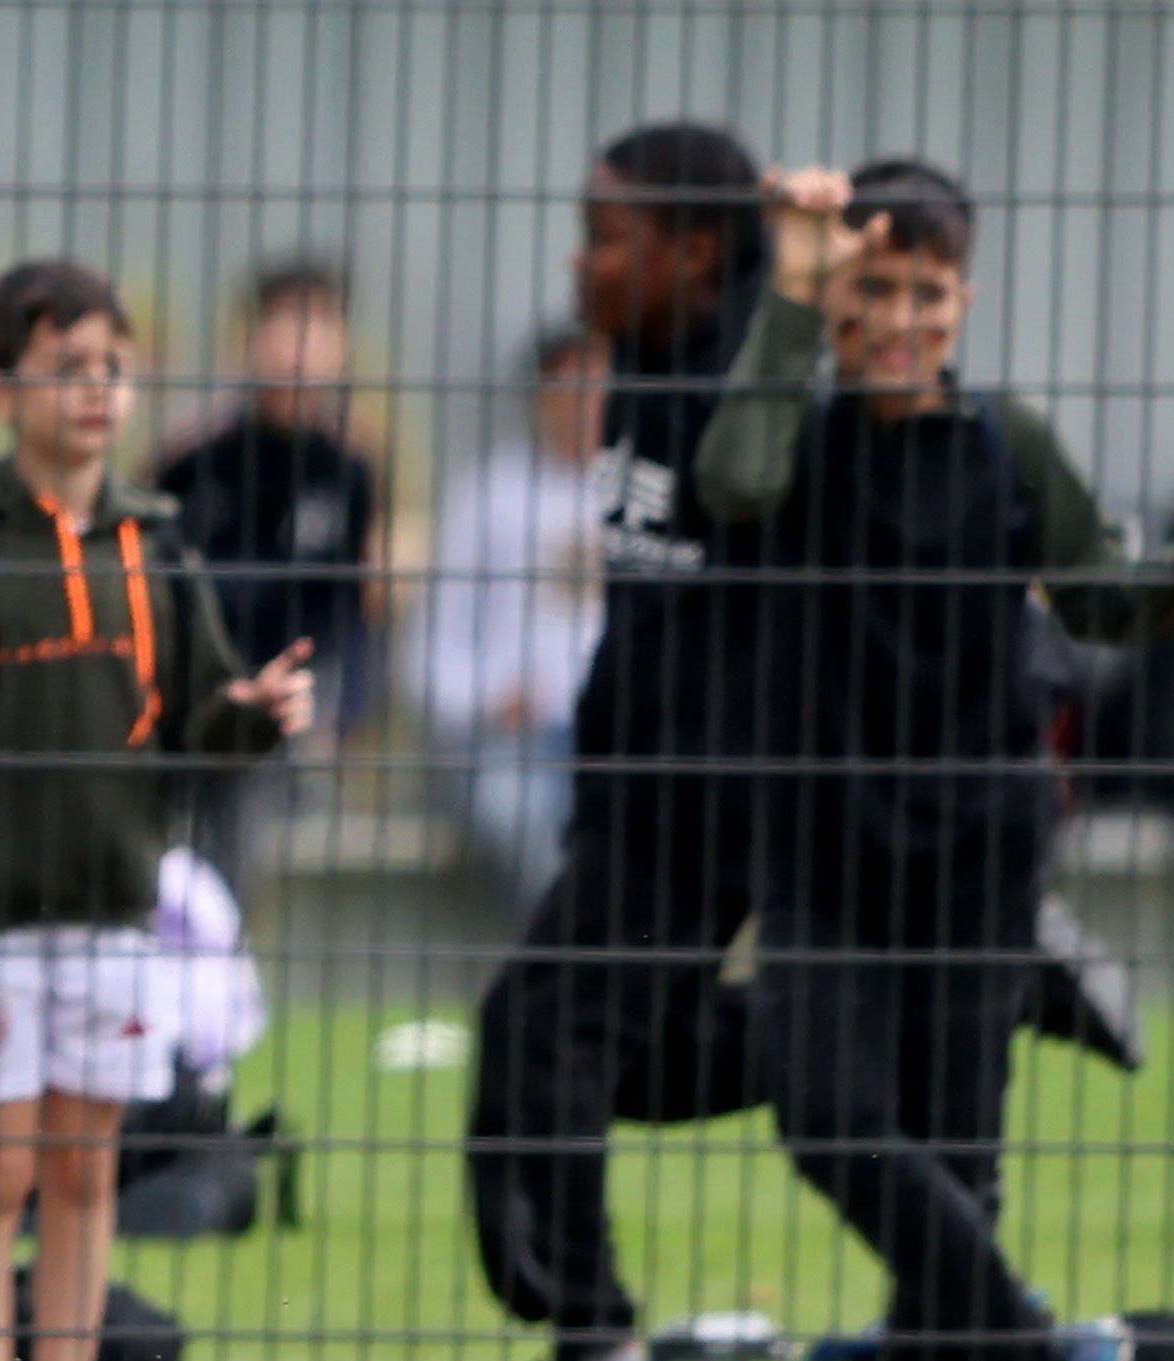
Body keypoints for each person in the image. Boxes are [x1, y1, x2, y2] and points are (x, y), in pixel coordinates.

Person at [694, 161, 1174, 1361]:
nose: (897, 321)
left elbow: (1104, 601)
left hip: (974, 851)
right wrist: (790, 296)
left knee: (955, 1159)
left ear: (965, 299)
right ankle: (1033, 1342)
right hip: (820, 851)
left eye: (926, 295)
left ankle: (962, 1342)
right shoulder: (794, 430)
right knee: (827, 1118)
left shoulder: (1008, 437)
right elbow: (731, 483)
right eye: (870, 290)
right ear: (834, 295)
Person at [0, 258, 314, 1361]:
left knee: (80, 1165)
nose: (97, 390)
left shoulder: (156, 541)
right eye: (66, 368)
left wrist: (254, 712)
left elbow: (202, 721)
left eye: (113, 367)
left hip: (116, 910)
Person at [462, 120, 778, 1361]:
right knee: (624, 1057)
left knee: (545, 1034)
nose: (574, 262)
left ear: (694, 250)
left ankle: (592, 1332)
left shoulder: (750, 378)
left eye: (602, 235)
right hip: (636, 781)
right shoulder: (643, 364)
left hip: (715, 789)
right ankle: (915, 997)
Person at [152, 257, 385, 889]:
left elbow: (354, 608)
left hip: (288, 707)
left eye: (319, 330)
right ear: (249, 341)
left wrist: (344, 711)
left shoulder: (349, 466)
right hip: (186, 693)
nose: (300, 350)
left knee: (245, 810)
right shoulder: (194, 455)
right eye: (285, 327)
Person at [402, 325, 610, 904]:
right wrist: (492, 700)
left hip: (623, 736)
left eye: (602, 388)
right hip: (516, 739)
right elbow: (427, 656)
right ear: (540, 398)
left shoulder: (644, 495)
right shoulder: (490, 495)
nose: (587, 405)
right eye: (570, 388)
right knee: (522, 821)